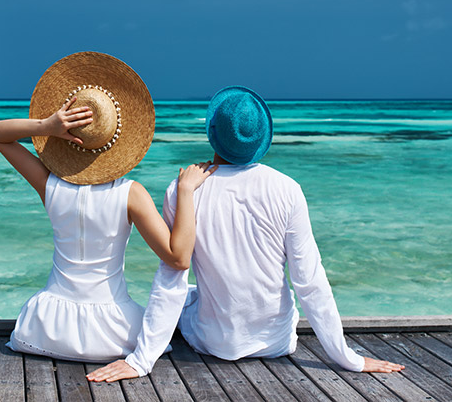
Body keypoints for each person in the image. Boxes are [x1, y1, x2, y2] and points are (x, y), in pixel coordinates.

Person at [88, 86, 404, 381]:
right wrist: (349, 358)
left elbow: (170, 280)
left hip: (213, 343)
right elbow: (310, 282)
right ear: (260, 137)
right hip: (278, 341)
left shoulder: (182, 190)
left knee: (187, 293)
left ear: (212, 134)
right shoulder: (288, 190)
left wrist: (141, 360)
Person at [0, 51, 215, 363]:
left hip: (43, 329)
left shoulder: (49, 185)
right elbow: (178, 258)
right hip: (113, 334)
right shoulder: (130, 194)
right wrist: (186, 192)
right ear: (119, 139)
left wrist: (46, 126)